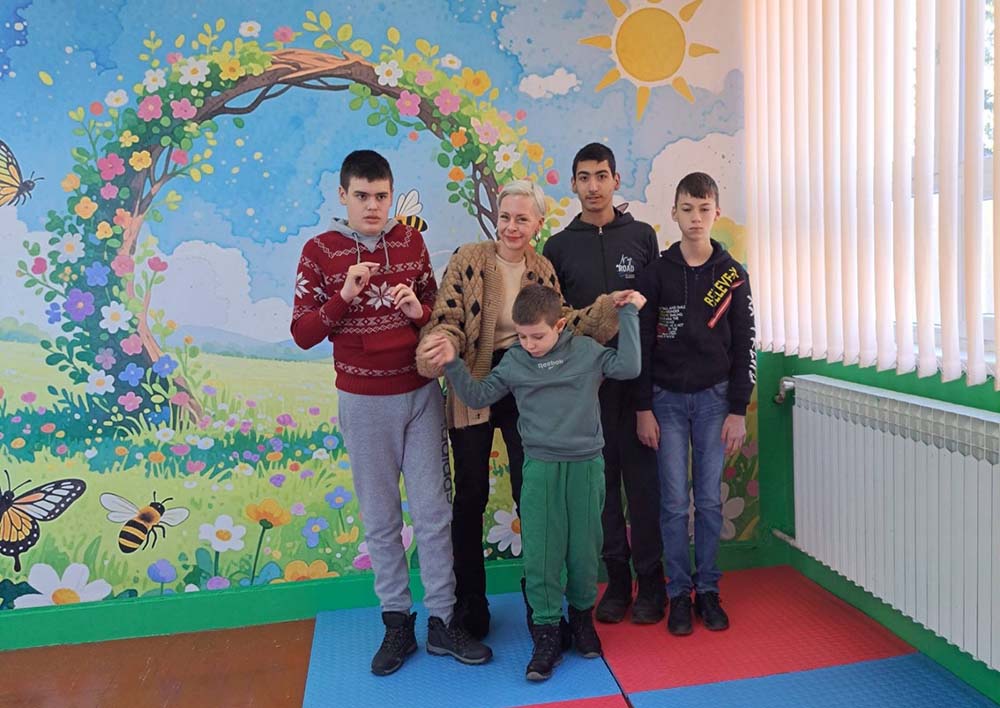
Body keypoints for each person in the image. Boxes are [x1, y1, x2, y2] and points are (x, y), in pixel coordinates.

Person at [290, 150, 492, 675]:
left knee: (434, 513)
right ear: (343, 195)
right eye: (362, 196)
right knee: (382, 519)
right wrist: (342, 296)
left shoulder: (410, 242)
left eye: (381, 196)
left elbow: (436, 316)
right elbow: (303, 333)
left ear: (391, 194)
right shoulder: (319, 251)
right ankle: (397, 623)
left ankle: (443, 621)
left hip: (420, 394)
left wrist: (417, 311)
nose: (373, 206)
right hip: (362, 404)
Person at [415, 179, 621, 640]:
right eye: (505, 217)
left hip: (528, 384)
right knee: (470, 494)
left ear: (537, 224)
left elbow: (563, 323)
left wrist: (607, 310)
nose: (511, 226)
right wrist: (442, 344)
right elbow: (447, 316)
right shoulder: (469, 258)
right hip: (475, 379)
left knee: (532, 492)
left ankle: (539, 600)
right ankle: (471, 602)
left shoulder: (542, 269)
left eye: (522, 219)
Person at [423, 283, 646, 681]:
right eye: (522, 336)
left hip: (585, 466)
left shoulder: (585, 351)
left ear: (559, 325)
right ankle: (546, 631)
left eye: (537, 336)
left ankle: (581, 620)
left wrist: (628, 314)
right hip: (540, 468)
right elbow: (478, 396)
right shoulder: (515, 361)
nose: (529, 344)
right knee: (542, 554)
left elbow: (628, 367)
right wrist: (453, 364)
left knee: (583, 551)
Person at [542, 143, 665, 625]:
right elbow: (556, 325)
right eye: (583, 177)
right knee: (603, 493)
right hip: (586, 395)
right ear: (573, 184)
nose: (593, 186)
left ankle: (651, 584)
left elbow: (651, 323)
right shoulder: (557, 247)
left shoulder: (642, 236)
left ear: (616, 179)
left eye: (601, 176)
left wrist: (645, 403)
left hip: (636, 391)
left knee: (644, 490)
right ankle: (616, 583)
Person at [635, 171, 756, 636]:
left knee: (707, 502)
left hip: (714, 402)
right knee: (672, 503)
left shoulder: (733, 275)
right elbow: (643, 344)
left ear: (716, 213)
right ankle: (678, 594)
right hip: (664, 402)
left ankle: (707, 590)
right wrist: (643, 407)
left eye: (704, 209)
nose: (695, 218)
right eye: (687, 209)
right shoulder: (656, 274)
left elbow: (745, 343)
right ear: (674, 213)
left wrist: (737, 410)